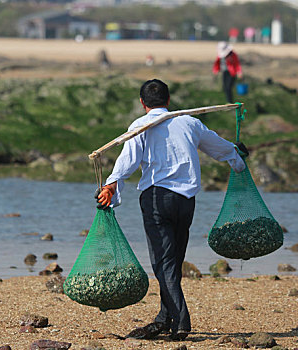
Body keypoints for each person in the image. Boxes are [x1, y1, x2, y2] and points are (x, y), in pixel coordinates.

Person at [96, 79, 248, 341]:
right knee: (173, 260)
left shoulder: (140, 126)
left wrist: (111, 184)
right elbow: (216, 146)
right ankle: (164, 318)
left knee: (163, 262)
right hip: (186, 201)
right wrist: (236, 156)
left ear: (143, 104)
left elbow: (127, 162)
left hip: (156, 199)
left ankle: (180, 319)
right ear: (168, 101)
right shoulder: (189, 122)